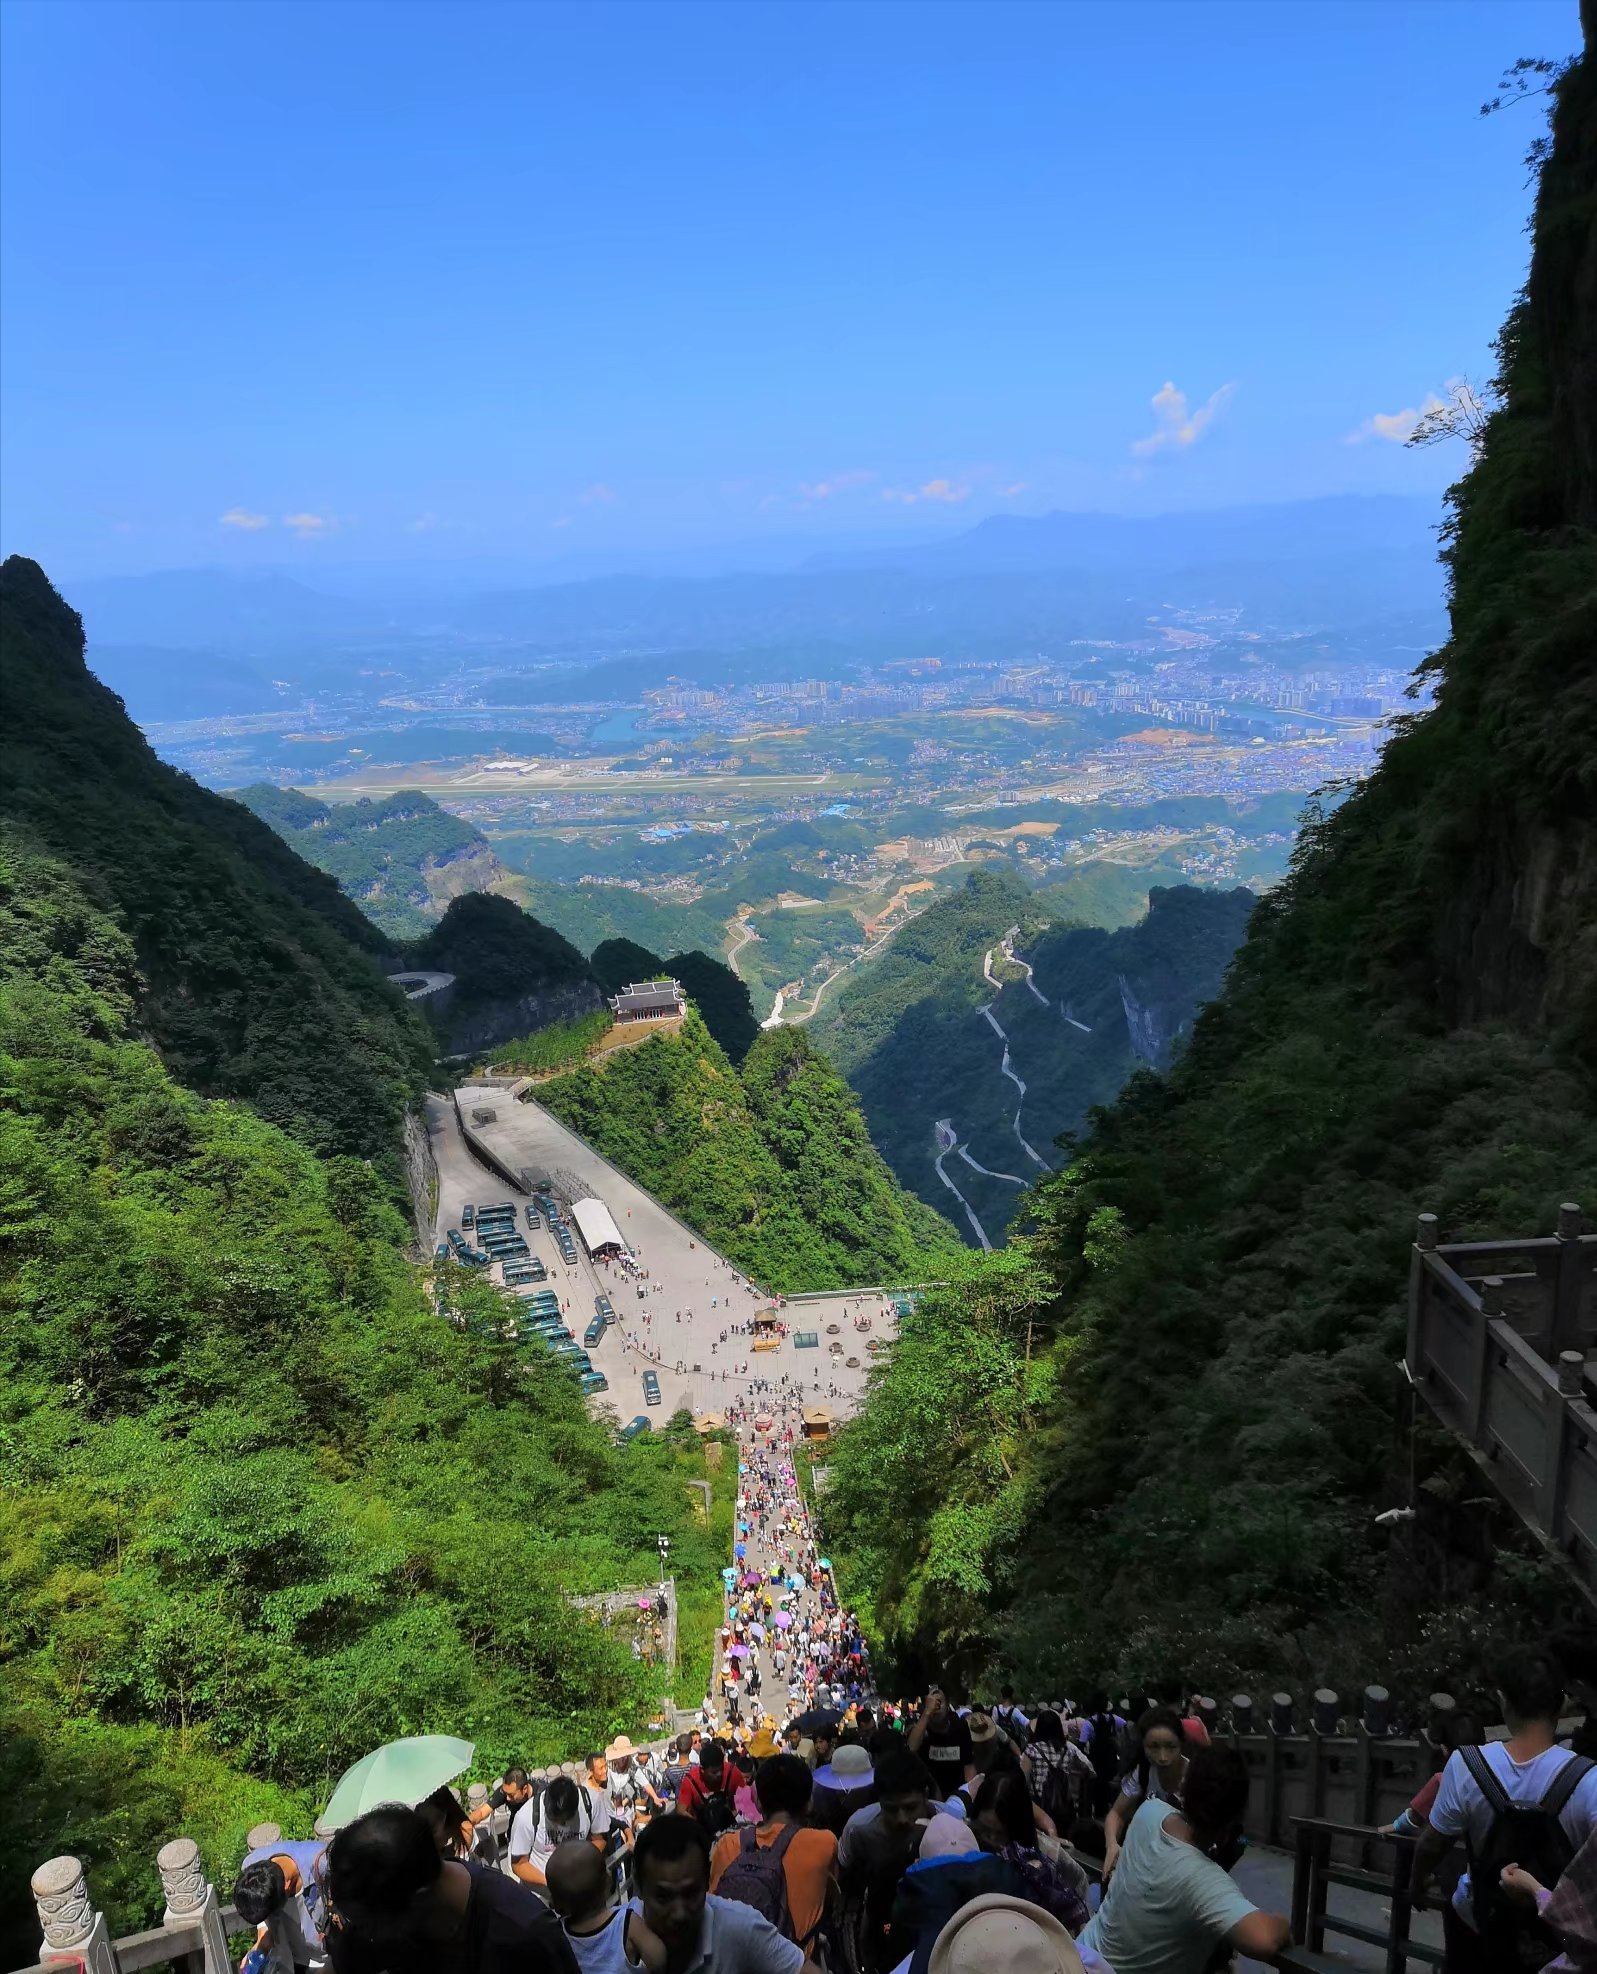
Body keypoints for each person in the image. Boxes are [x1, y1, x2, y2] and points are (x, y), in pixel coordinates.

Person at [1415, 1646, 1597, 1974]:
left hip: (1477, 1922)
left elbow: (1432, 1843)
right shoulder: (1589, 1780)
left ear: (1503, 1701)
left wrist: (1415, 1881)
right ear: (1563, 1704)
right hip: (1554, 1937)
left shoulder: (1465, 1765)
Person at [1078, 1745, 1289, 1974]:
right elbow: (1264, 1940)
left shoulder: (1148, 1812)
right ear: (1237, 1815)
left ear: (1184, 1787)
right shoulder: (1205, 1880)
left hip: (1078, 1958)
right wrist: (1281, 1926)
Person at [320, 1804, 582, 1974]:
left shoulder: (523, 1934)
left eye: (370, 1926)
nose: (364, 1934)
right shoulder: (382, 1915)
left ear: (420, 1900)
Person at [629, 1812, 824, 1974]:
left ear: (707, 1880)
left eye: (691, 1894)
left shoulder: (740, 1927)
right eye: (663, 1898)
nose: (679, 1913)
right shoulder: (611, 1938)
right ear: (640, 1888)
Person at [710, 1753, 838, 1951]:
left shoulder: (727, 1845)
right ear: (809, 1803)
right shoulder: (824, 1843)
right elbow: (831, 1900)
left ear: (759, 1802)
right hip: (798, 1965)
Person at [969, 1770, 1088, 1935]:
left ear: (1018, 1828)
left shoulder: (1047, 1854)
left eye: (1001, 1833)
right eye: (985, 1830)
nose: (992, 1839)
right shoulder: (966, 1840)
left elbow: (1080, 1883)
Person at [547, 1838, 667, 1974]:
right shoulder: (625, 1922)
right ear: (608, 1880)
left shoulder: (559, 1934)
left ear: (555, 1901)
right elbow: (658, 1958)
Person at [1102, 1709, 1189, 1885]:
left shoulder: (1194, 1776)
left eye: (1171, 1747)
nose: (1163, 1757)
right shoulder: (1142, 1772)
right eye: (1154, 1747)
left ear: (1181, 1744)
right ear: (1143, 1745)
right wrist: (1112, 1844)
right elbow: (1116, 1814)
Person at [234, 1845, 328, 1973]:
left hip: (326, 1960)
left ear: (286, 1886)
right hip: (292, 1961)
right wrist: (262, 1943)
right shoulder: (251, 1867)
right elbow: (265, 1914)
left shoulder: (324, 1865)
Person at [511, 1776, 612, 1891]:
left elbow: (600, 1840)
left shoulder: (591, 1802)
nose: (563, 1825)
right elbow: (518, 1865)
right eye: (555, 1820)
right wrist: (550, 1884)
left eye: (567, 1819)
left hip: (580, 1889)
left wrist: (581, 1863)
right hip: (542, 1894)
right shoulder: (525, 1817)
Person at [1023, 1713, 1092, 1835]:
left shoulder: (1031, 1750)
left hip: (1039, 1808)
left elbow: (1022, 1782)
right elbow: (1090, 1769)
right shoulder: (1070, 1749)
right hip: (1066, 1808)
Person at [908, 1689, 976, 1803]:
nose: (936, 1707)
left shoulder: (960, 1727)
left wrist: (968, 1797)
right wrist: (927, 1713)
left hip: (957, 1798)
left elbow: (968, 1766)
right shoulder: (922, 1730)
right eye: (932, 1703)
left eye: (939, 1702)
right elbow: (912, 1747)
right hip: (931, 1800)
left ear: (947, 1704)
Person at [679, 1739, 749, 1837]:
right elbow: (681, 1811)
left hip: (732, 1828)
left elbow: (747, 1799)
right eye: (714, 1772)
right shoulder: (690, 1781)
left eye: (721, 1770)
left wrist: (734, 1814)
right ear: (702, 1770)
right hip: (704, 1832)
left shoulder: (731, 1772)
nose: (719, 1774)